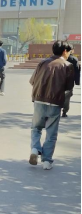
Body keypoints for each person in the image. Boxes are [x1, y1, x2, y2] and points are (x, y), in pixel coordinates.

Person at [29, 41, 75, 170]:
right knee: (51, 133)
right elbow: (68, 88)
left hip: (39, 100)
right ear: (65, 51)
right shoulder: (68, 66)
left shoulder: (42, 63)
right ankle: (47, 161)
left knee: (36, 128)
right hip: (55, 102)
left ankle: (35, 149)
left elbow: (33, 81)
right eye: (69, 51)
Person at [63, 45, 80, 118]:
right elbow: (77, 71)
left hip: (58, 80)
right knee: (67, 97)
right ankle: (64, 111)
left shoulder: (59, 58)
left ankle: (56, 110)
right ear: (71, 50)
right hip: (69, 82)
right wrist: (77, 82)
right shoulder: (74, 59)